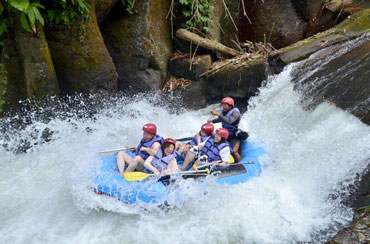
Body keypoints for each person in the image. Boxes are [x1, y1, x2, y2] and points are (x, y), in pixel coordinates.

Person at [208, 97, 242, 162]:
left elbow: (229, 121)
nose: (223, 106)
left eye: (225, 105)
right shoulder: (225, 111)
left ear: (230, 106)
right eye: (223, 105)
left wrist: (218, 114)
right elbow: (222, 118)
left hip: (233, 136)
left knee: (234, 151)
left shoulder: (235, 113)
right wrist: (212, 121)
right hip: (225, 134)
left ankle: (240, 163)